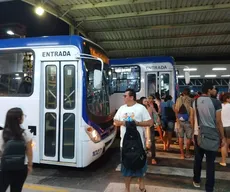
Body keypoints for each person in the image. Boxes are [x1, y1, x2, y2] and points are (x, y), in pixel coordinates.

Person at [114, 89, 152, 192]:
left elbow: (149, 122)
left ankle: (141, 185)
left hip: (139, 144)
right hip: (125, 144)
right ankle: (127, 189)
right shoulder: (121, 109)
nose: (123, 97)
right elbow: (115, 122)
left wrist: (137, 123)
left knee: (140, 165)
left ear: (131, 97)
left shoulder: (141, 108)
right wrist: (124, 123)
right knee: (126, 167)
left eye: (125, 96)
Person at [192, 83, 226, 192]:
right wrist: (223, 137)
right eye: (213, 89)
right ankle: (209, 187)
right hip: (212, 135)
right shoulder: (216, 102)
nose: (214, 91)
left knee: (198, 159)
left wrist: (194, 132)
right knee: (210, 163)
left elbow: (192, 119)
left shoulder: (195, 101)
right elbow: (218, 121)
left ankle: (196, 180)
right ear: (209, 90)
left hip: (198, 134)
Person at [0, 108, 33, 192]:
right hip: (21, 167)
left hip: (4, 167)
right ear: (19, 119)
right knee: (16, 190)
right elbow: (29, 152)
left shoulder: (1, 134)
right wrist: (30, 165)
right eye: (23, 116)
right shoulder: (26, 133)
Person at [175, 87, 193, 159]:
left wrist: (177, 120)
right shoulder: (191, 100)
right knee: (189, 138)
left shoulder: (178, 99)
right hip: (188, 121)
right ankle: (187, 152)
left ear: (183, 93)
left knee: (180, 137)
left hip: (179, 120)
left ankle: (182, 154)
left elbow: (176, 110)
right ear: (189, 93)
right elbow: (192, 111)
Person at [139, 97, 157, 165]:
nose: (146, 102)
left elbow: (156, 114)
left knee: (152, 142)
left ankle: (153, 158)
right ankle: (143, 157)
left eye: (147, 101)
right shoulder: (140, 109)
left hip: (150, 127)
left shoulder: (150, 108)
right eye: (145, 101)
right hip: (142, 128)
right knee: (142, 142)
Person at [220, 93, 230, 166]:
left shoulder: (220, 106)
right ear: (227, 98)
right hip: (229, 126)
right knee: (227, 142)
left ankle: (223, 161)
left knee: (223, 143)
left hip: (222, 126)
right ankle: (226, 153)